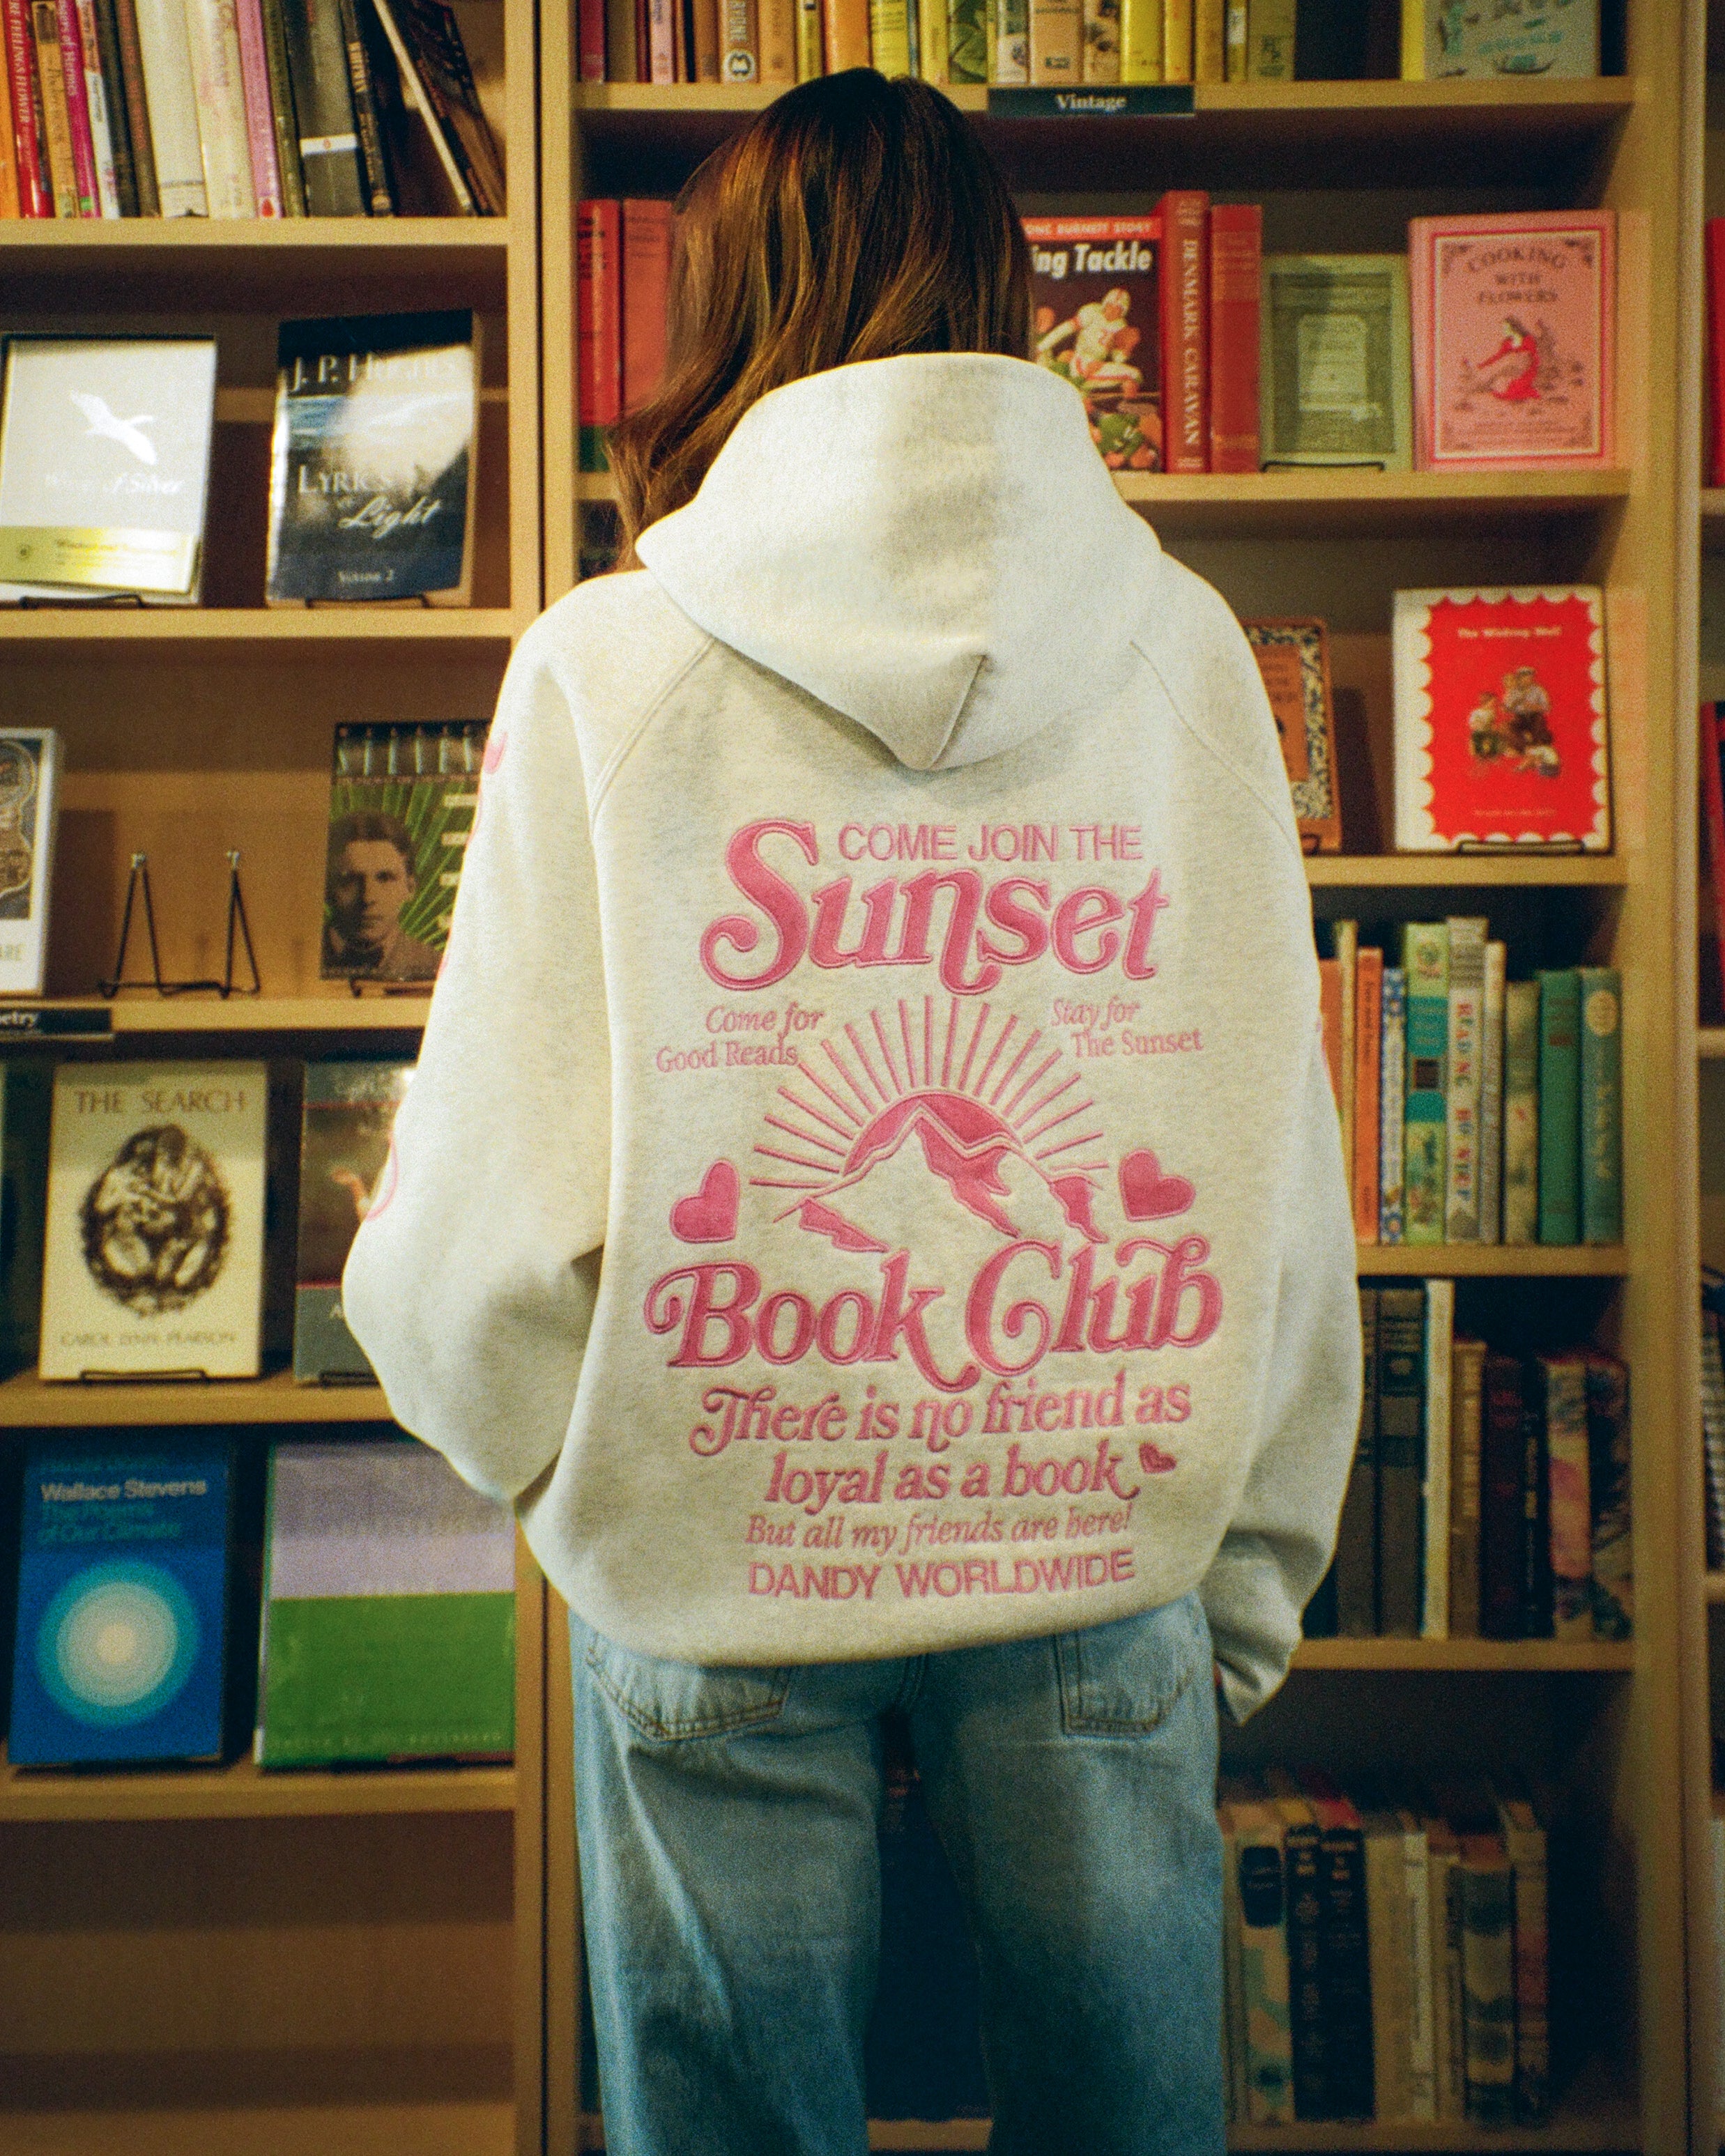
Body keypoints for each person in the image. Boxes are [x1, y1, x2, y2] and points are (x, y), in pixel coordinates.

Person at [342, 70, 1360, 2156]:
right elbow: (1271, 1153)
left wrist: (574, 1471)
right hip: (1100, 1542)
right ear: (998, 290)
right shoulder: (1187, 655)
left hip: (711, 1540)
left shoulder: (606, 666)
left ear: (730, 310)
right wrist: (1241, 1566)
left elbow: (474, 1225)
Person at [323, 810, 440, 979]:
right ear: (327, 888)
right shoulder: (296, 960)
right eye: (350, 880)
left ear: (410, 888)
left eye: (385, 878)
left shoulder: (437, 966)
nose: (368, 898)